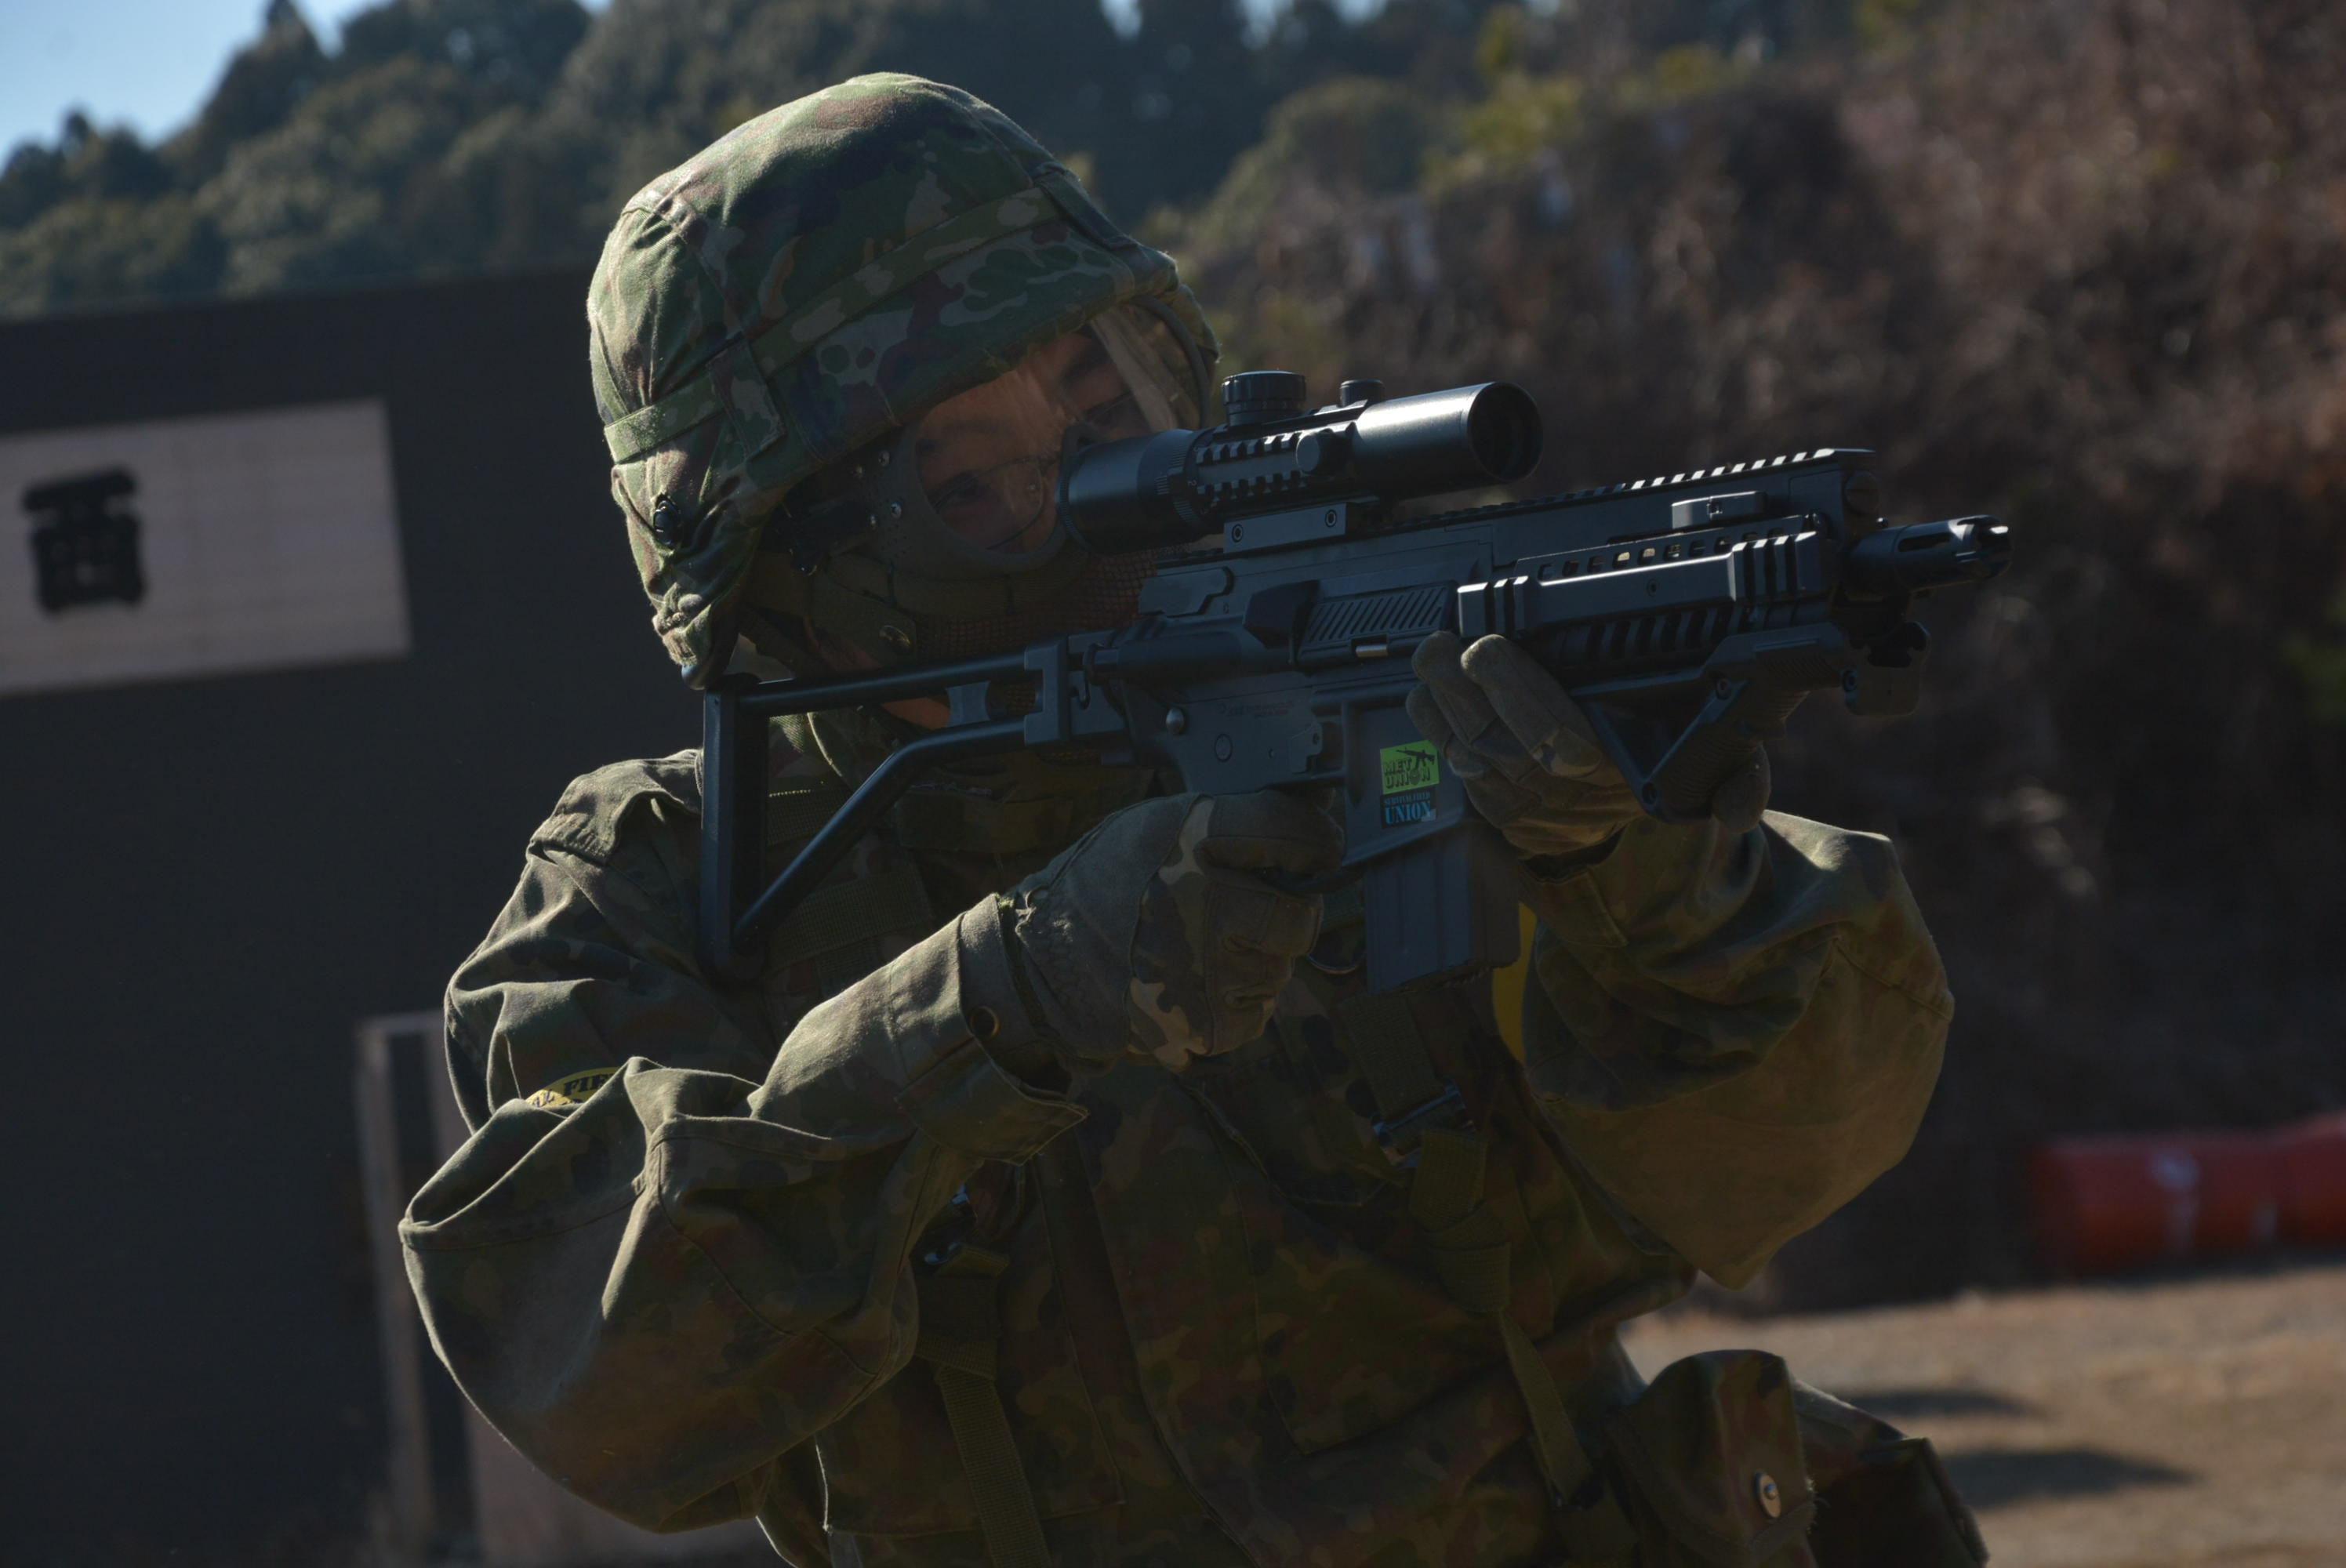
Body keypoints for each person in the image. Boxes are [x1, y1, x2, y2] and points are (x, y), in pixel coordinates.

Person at [405, 74, 1988, 1568]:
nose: (1092, 492)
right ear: (791, 560)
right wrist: (998, 1005)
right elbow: (595, 1377)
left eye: (1105, 406)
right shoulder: (658, 884)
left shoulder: (1358, 690)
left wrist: (1636, 872)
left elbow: (1792, 1147)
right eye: (972, 478)